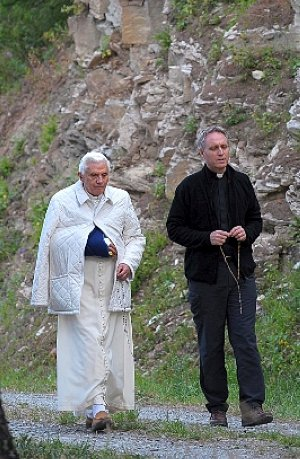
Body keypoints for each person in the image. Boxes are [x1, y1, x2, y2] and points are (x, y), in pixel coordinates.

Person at [166, 126, 273, 428]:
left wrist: (246, 233)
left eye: (224, 146)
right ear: (202, 152)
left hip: (241, 275)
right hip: (206, 279)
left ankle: (252, 406)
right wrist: (206, 237)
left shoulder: (241, 182)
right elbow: (174, 228)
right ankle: (217, 410)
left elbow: (255, 220)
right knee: (210, 344)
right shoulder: (188, 187)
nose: (221, 152)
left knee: (245, 340)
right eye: (214, 148)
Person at [31, 150, 145, 432]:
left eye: (104, 175)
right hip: (76, 281)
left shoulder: (120, 199)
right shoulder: (62, 201)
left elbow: (135, 237)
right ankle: (98, 407)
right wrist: (86, 242)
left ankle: (97, 406)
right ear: (80, 176)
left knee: (108, 340)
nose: (99, 181)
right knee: (89, 340)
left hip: (112, 279)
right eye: (93, 175)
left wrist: (128, 263)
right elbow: (49, 242)